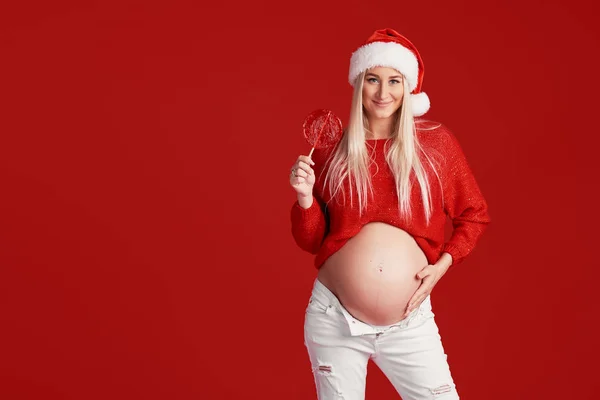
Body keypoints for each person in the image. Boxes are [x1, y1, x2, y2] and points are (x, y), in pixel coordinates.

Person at [289, 28, 491, 400]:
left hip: (408, 324)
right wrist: (304, 198)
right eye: (373, 80)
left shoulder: (436, 144)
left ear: (408, 87)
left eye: (394, 81)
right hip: (334, 318)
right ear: (358, 84)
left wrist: (444, 264)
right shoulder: (334, 150)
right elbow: (311, 240)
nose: (383, 93)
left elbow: (474, 214)